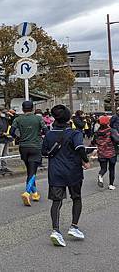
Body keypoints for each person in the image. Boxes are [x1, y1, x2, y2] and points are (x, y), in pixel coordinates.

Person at [43, 105, 91, 247]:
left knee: (56, 201)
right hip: (73, 171)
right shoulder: (74, 133)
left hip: (55, 172)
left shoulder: (49, 134)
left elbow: (44, 152)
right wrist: (86, 161)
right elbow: (80, 148)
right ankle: (74, 227)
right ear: (68, 118)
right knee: (76, 198)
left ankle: (56, 230)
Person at [11, 101, 48, 206]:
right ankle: (27, 192)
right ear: (32, 109)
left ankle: (35, 193)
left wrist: (18, 137)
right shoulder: (38, 119)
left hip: (23, 147)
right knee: (33, 171)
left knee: (30, 170)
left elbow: (11, 132)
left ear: (22, 109)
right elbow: (46, 131)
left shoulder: (18, 119)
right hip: (36, 147)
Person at [93, 115, 118, 190]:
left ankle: (100, 176)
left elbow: (93, 142)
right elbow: (117, 140)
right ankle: (111, 185)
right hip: (111, 153)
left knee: (103, 168)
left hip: (101, 153)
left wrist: (87, 152)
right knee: (112, 169)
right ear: (108, 122)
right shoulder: (112, 131)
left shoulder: (97, 133)